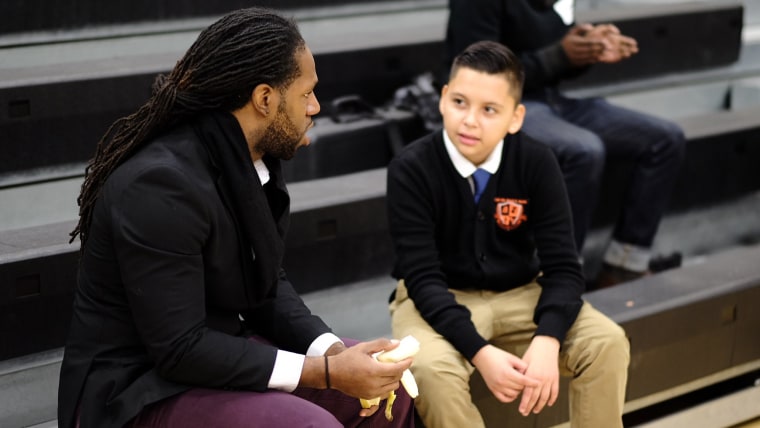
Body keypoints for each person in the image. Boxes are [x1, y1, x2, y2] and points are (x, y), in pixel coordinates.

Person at [59, 7, 415, 428]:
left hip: (213, 358)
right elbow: (179, 348)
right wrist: (327, 375)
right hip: (135, 390)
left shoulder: (248, 159)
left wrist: (332, 352)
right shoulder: (158, 185)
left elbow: (266, 287)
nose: (316, 106)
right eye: (306, 94)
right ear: (265, 99)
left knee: (391, 391)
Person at [386, 40, 630, 428]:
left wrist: (549, 338)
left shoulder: (536, 161)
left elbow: (565, 267)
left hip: (521, 293)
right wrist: (481, 353)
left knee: (607, 342)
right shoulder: (410, 168)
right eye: (461, 102)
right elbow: (421, 278)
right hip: (437, 297)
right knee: (431, 371)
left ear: (515, 118)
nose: (469, 120)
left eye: (489, 110)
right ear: (443, 98)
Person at [444, 0, 687, 288]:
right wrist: (557, 56)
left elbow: (555, 59)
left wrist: (588, 48)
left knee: (664, 138)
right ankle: (557, 281)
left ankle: (623, 266)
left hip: (551, 101)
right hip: (495, 109)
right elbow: (478, 75)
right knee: (582, 149)